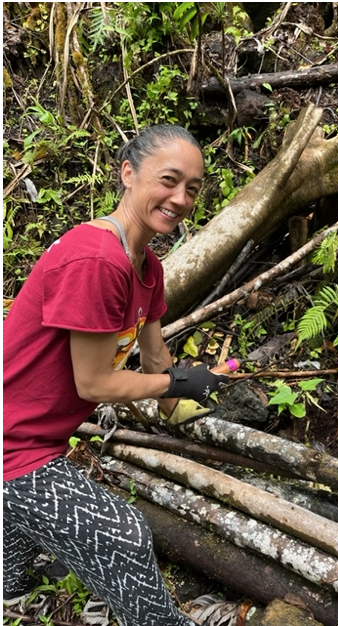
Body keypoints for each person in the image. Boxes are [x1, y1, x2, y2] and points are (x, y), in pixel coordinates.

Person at [3, 125, 229, 625]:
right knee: (125, 534)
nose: (180, 198)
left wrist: (184, 397)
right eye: (169, 180)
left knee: (31, 526)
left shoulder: (146, 265)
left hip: (32, 433)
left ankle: (11, 591)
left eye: (192, 187)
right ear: (128, 173)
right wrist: (174, 385)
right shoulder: (97, 260)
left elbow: (153, 357)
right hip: (11, 446)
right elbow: (95, 385)